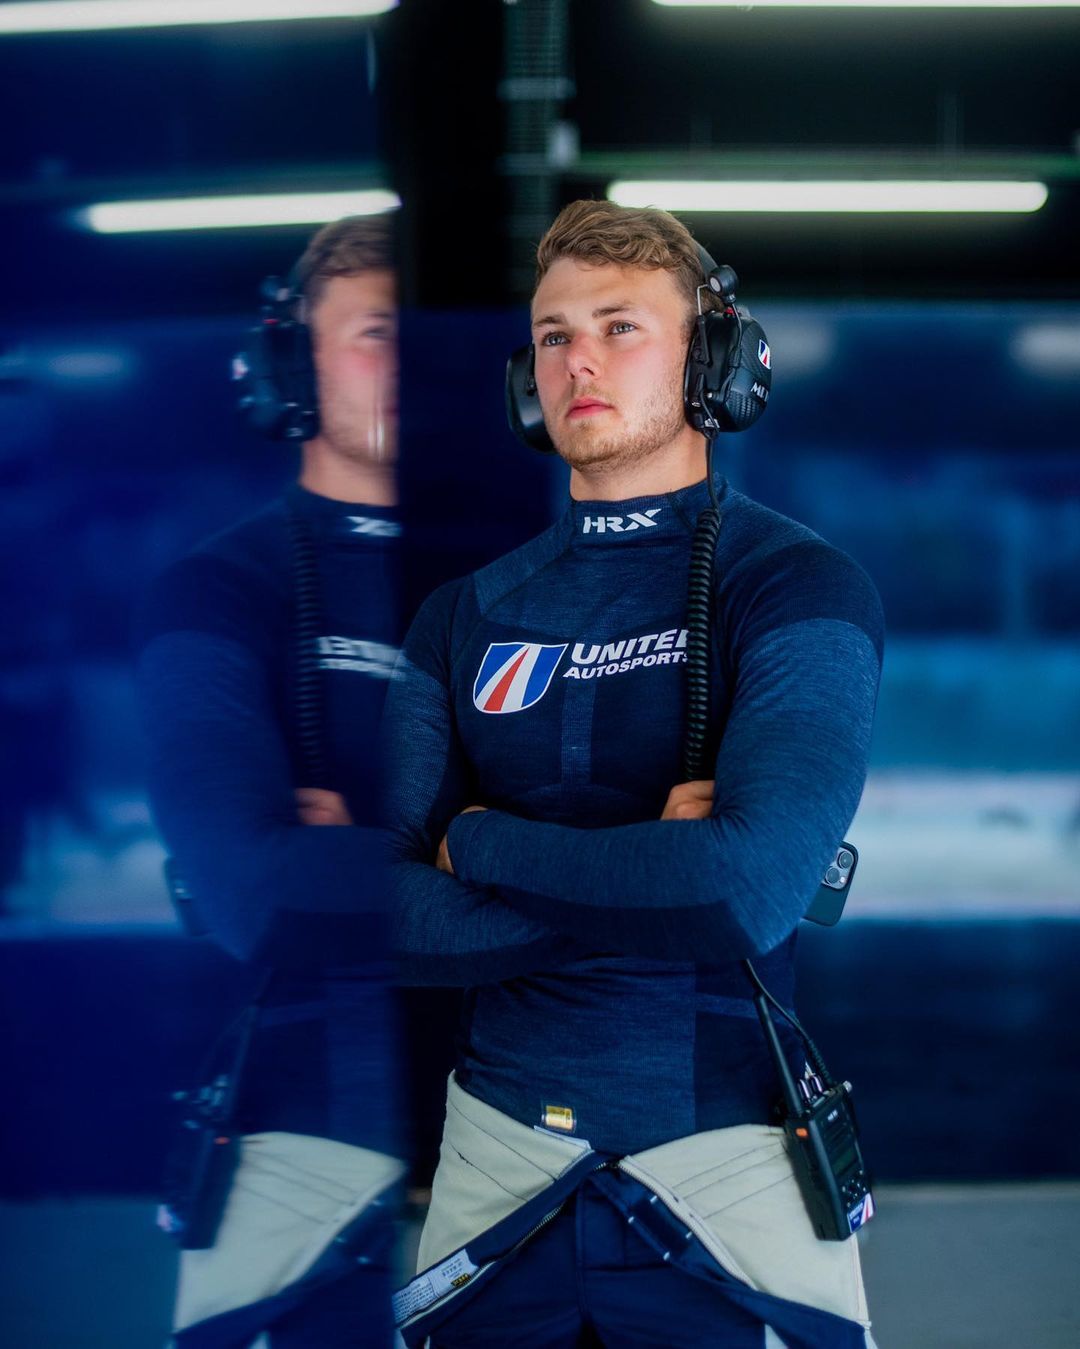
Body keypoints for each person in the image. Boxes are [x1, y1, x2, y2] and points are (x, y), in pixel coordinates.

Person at [386, 200, 884, 1347]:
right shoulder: (461, 616)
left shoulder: (797, 586)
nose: (580, 360)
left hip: (729, 1156)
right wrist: (654, 877)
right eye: (554, 335)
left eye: (620, 327)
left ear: (714, 361)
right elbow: (378, 912)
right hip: (494, 1160)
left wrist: (478, 842)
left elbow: (743, 891)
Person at [137, 216, 404, 1348]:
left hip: (554, 1132)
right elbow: (255, 889)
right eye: (379, 333)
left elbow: (703, 875)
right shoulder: (218, 591)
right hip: (315, 1142)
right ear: (290, 362)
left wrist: (359, 847)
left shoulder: (565, 585)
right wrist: (557, 851)